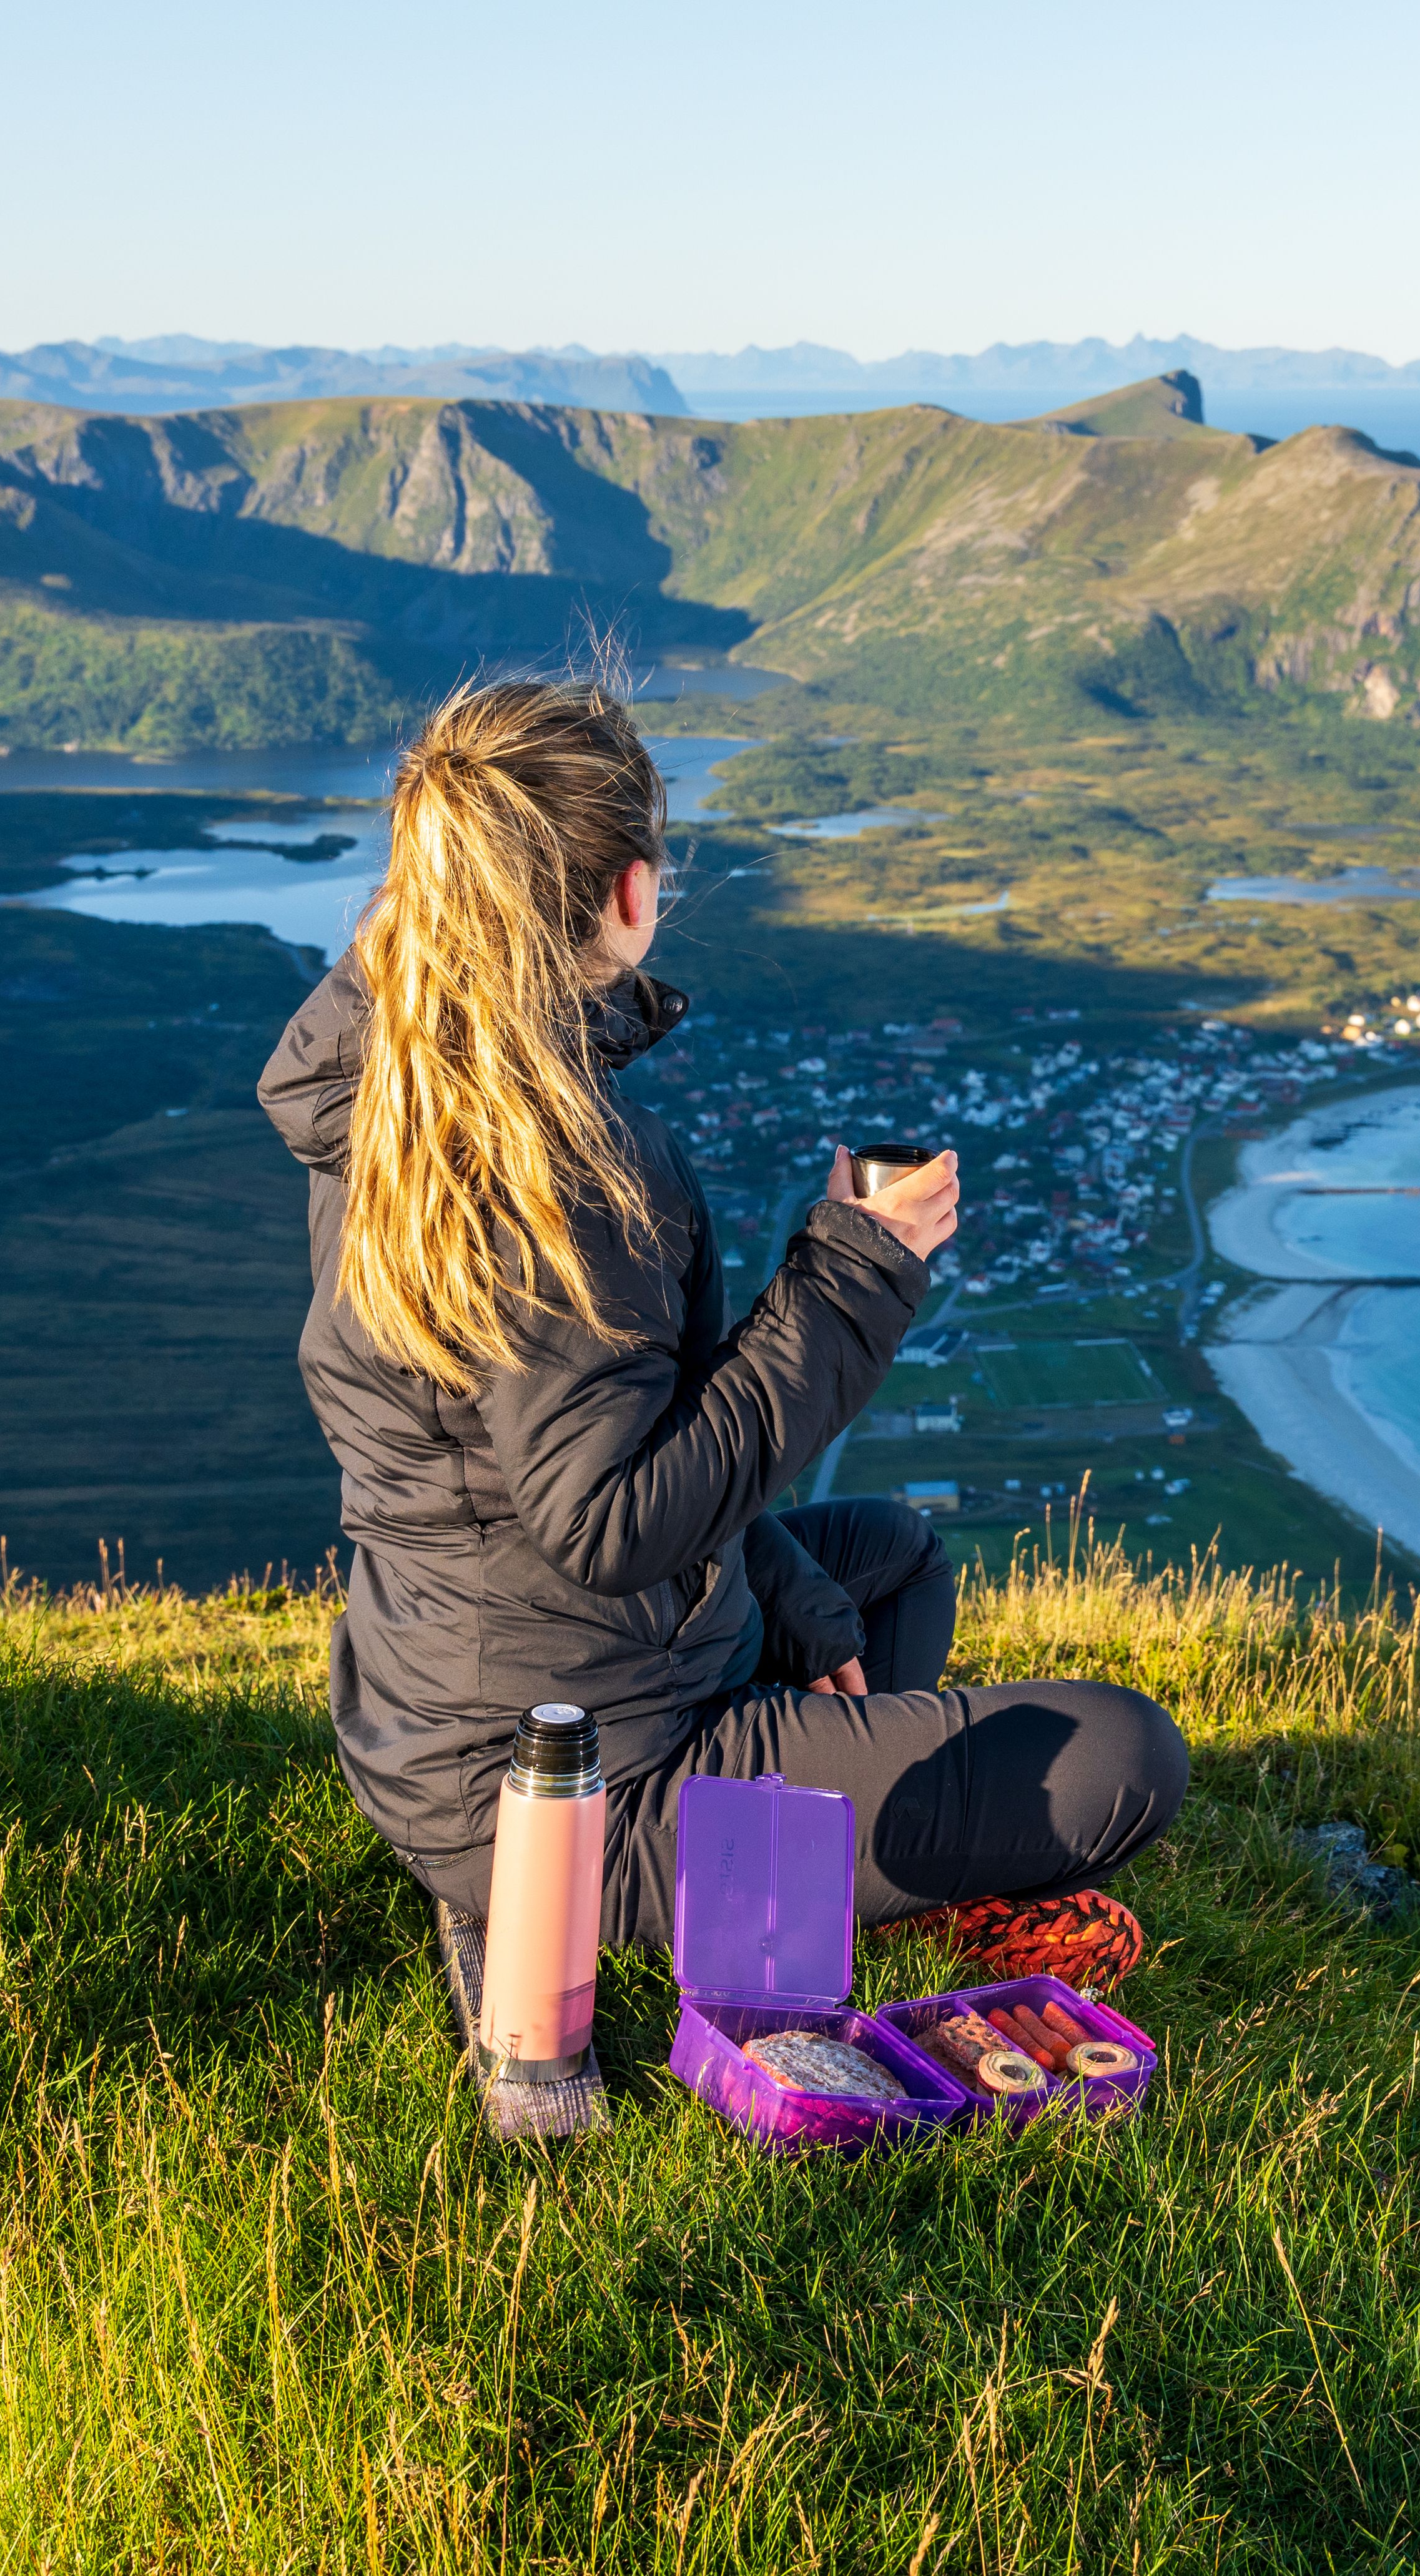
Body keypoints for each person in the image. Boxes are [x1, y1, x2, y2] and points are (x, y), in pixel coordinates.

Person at [255, 677, 1186, 2128]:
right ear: (628, 892)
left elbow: (558, 1464)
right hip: (577, 1777)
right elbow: (603, 1517)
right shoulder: (563, 1163)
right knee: (1125, 1755)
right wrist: (851, 1275)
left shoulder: (398, 1092)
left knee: (888, 1560)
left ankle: (787, 1853)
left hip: (441, 1708)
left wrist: (799, 1609)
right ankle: (582, 1917)